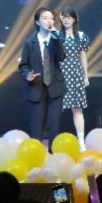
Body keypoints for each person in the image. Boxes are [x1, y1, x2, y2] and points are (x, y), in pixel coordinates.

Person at [17, 7, 66, 141]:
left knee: (54, 124)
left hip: (55, 88)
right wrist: (27, 75)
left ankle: (53, 152)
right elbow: (23, 65)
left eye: (51, 19)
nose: (49, 21)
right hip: (36, 87)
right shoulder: (29, 43)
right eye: (45, 18)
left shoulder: (56, 39)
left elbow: (61, 57)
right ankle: (37, 152)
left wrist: (56, 38)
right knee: (36, 127)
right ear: (37, 22)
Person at [58, 7, 90, 151]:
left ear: (75, 19)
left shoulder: (81, 36)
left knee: (77, 110)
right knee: (55, 109)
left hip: (76, 75)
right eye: (64, 17)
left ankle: (81, 142)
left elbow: (83, 56)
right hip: (60, 75)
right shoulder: (56, 36)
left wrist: (85, 76)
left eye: (69, 17)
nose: (66, 20)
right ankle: (53, 140)